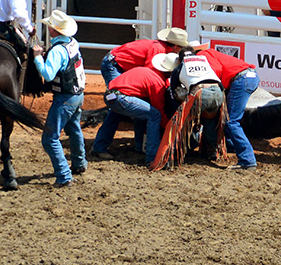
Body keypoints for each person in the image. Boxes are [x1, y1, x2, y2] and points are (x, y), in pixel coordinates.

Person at [95, 27, 189, 156]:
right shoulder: (158, 51)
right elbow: (154, 76)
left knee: (137, 104)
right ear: (176, 46)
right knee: (119, 110)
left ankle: (139, 146)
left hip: (117, 64)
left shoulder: (161, 50)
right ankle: (101, 146)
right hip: (115, 64)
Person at [31, 10, 86, 188]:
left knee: (50, 139)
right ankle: (79, 163)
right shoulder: (72, 43)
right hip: (77, 94)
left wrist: (38, 57)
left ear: (54, 31)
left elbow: (47, 75)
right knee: (74, 128)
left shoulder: (57, 51)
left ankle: (64, 176)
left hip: (65, 97)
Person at [92, 53, 177, 164]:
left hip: (112, 95)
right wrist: (168, 126)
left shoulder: (146, 71)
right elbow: (159, 107)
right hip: (121, 97)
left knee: (126, 114)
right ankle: (152, 158)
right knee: (154, 115)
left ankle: (99, 147)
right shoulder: (156, 82)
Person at [192, 44, 260, 171]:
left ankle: (247, 160)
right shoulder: (211, 53)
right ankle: (231, 146)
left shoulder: (202, 55)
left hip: (241, 79)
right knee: (230, 119)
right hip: (247, 77)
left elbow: (216, 71)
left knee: (231, 121)